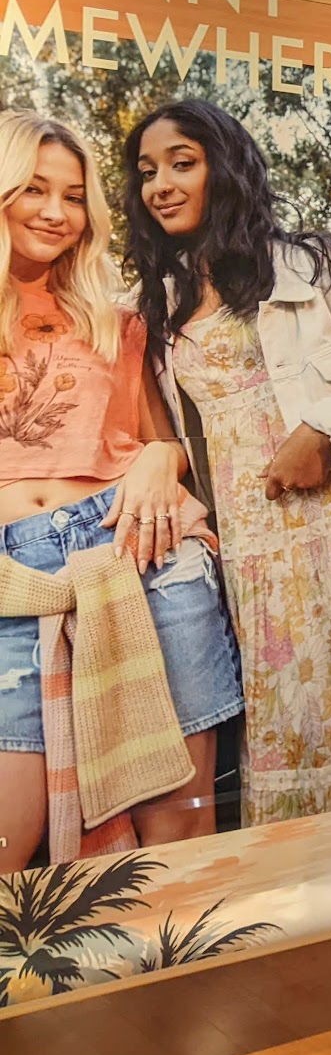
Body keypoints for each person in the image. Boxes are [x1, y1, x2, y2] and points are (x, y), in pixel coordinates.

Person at [122, 100, 331, 825]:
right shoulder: (156, 303)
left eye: (182, 163)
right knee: (301, 728)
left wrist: (324, 431)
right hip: (262, 555)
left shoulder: (306, 265)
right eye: (148, 172)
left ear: (225, 168)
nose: (161, 185)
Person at [0, 111, 241, 872]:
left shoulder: (117, 320)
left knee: (180, 830)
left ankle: (180, 955)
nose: (55, 212)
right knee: (12, 842)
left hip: (141, 551)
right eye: (33, 189)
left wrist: (160, 458)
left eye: (73, 197)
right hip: (15, 578)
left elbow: (164, 440)